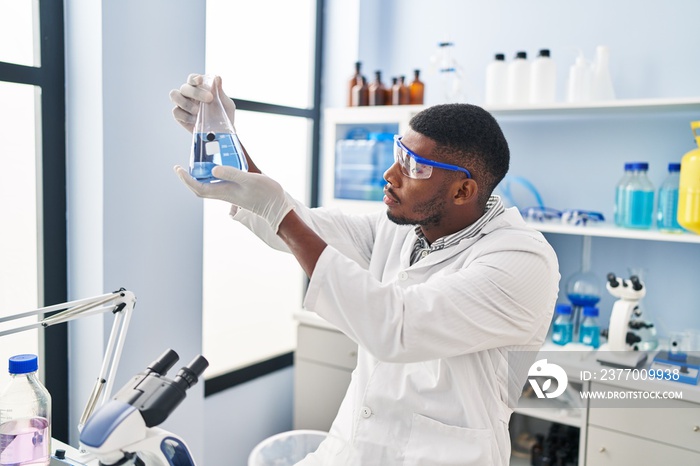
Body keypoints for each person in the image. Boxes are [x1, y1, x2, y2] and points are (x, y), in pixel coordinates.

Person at [170, 74, 560, 465]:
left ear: (462, 191)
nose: (390, 174)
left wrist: (281, 214)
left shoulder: (522, 260)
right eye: (398, 152)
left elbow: (399, 328)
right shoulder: (397, 229)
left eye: (414, 166)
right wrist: (227, 140)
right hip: (350, 451)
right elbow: (301, 227)